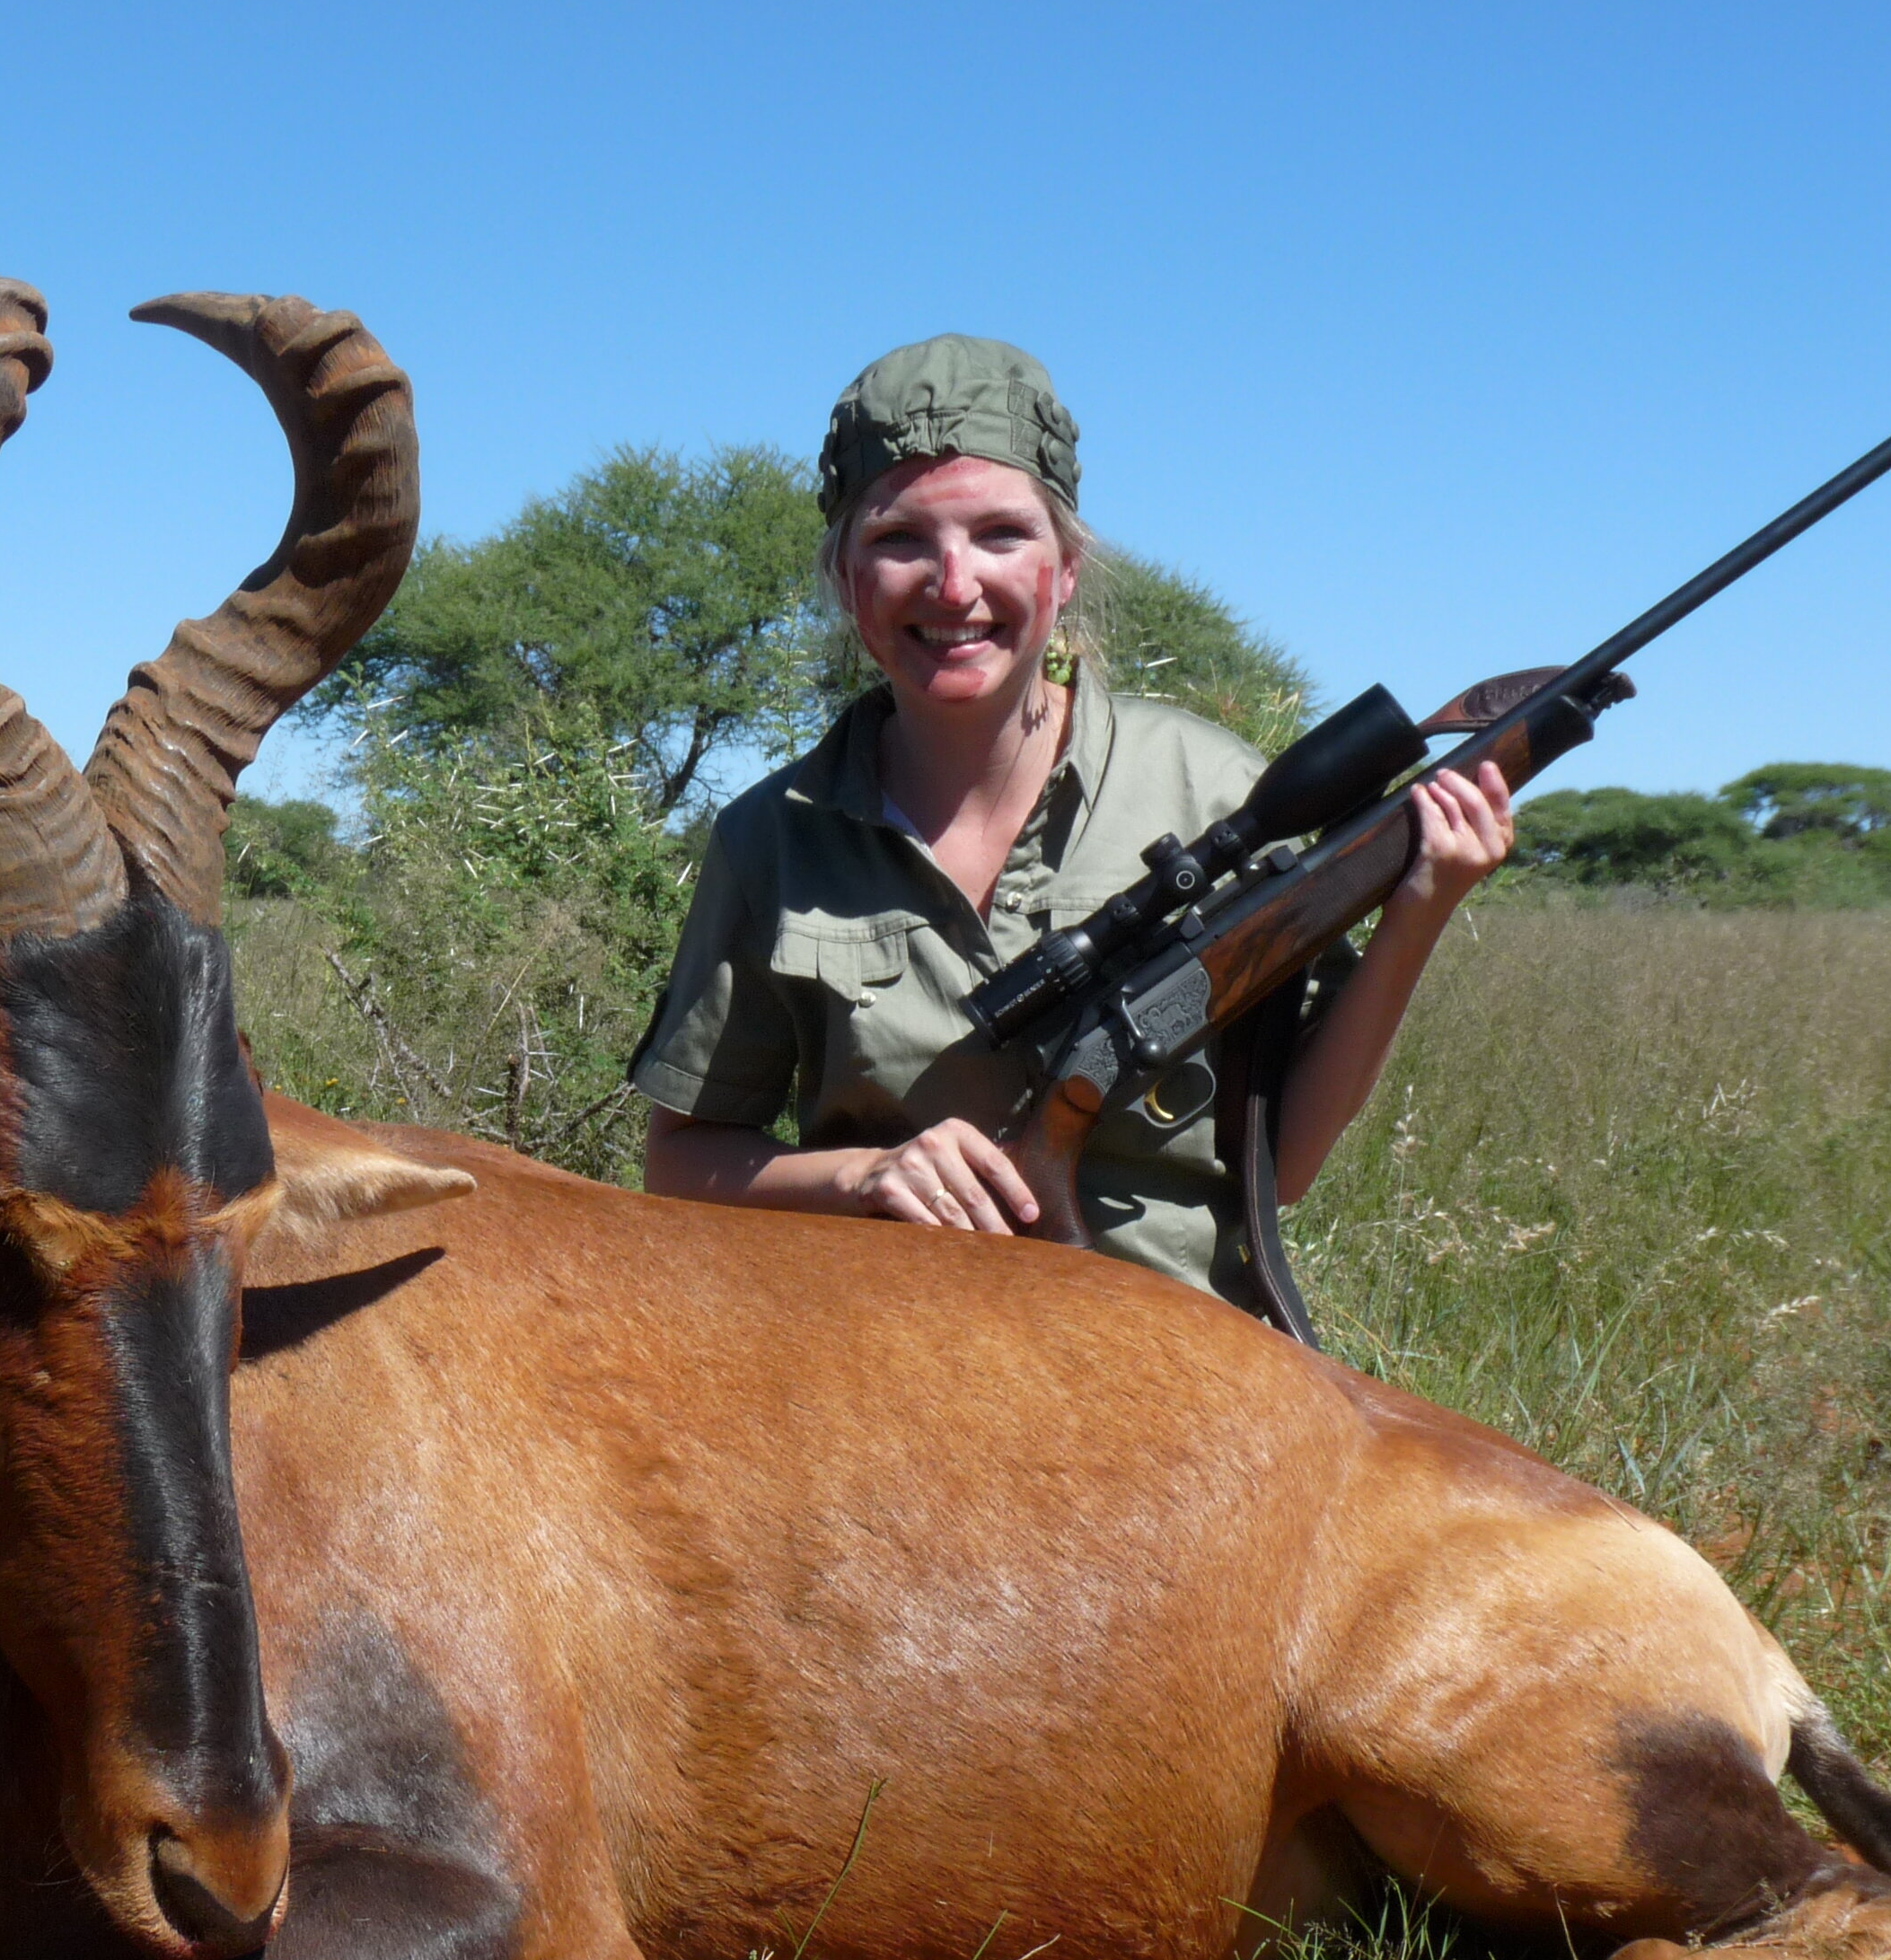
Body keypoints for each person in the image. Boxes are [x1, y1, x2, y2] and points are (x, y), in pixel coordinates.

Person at [634, 335, 1512, 1296]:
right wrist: (862, 1175)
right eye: (898, 539)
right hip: (879, 1363)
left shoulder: (1217, 791)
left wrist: (1420, 909)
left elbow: (1283, 1167)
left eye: (1002, 535)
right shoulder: (774, 835)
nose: (955, 584)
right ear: (846, 582)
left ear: (1067, 570)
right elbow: (680, 1160)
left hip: (1180, 1363)